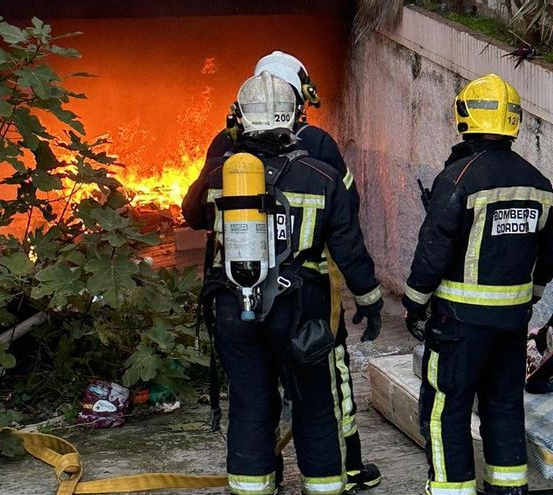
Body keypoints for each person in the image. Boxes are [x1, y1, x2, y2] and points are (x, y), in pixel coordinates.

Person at [183, 50, 382, 492]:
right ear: (294, 115)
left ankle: (254, 488)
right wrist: (370, 301)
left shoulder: (220, 172)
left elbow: (191, 216)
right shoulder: (321, 174)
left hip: (235, 306)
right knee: (314, 403)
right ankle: (328, 485)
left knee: (251, 404)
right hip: (302, 308)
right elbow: (348, 244)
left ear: (240, 117)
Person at [403, 73, 553, 495]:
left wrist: (414, 303)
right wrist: (532, 295)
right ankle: (508, 489)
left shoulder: (459, 177)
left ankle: (452, 489)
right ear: (514, 121)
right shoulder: (539, 184)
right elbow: (549, 254)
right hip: (511, 323)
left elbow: (433, 249)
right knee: (504, 406)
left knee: (444, 410)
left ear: (464, 117)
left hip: (458, 325)